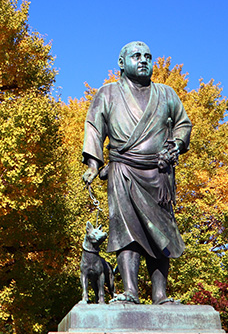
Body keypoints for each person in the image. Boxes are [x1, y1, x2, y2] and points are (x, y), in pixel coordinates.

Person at [82, 41, 192, 304]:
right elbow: (94, 128)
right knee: (125, 231)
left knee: (161, 234)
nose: (143, 60)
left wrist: (176, 145)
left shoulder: (166, 94)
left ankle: (160, 294)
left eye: (148, 56)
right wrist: (93, 165)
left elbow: (183, 124)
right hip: (122, 170)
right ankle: (130, 291)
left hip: (159, 172)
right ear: (122, 63)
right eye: (136, 56)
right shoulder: (107, 94)